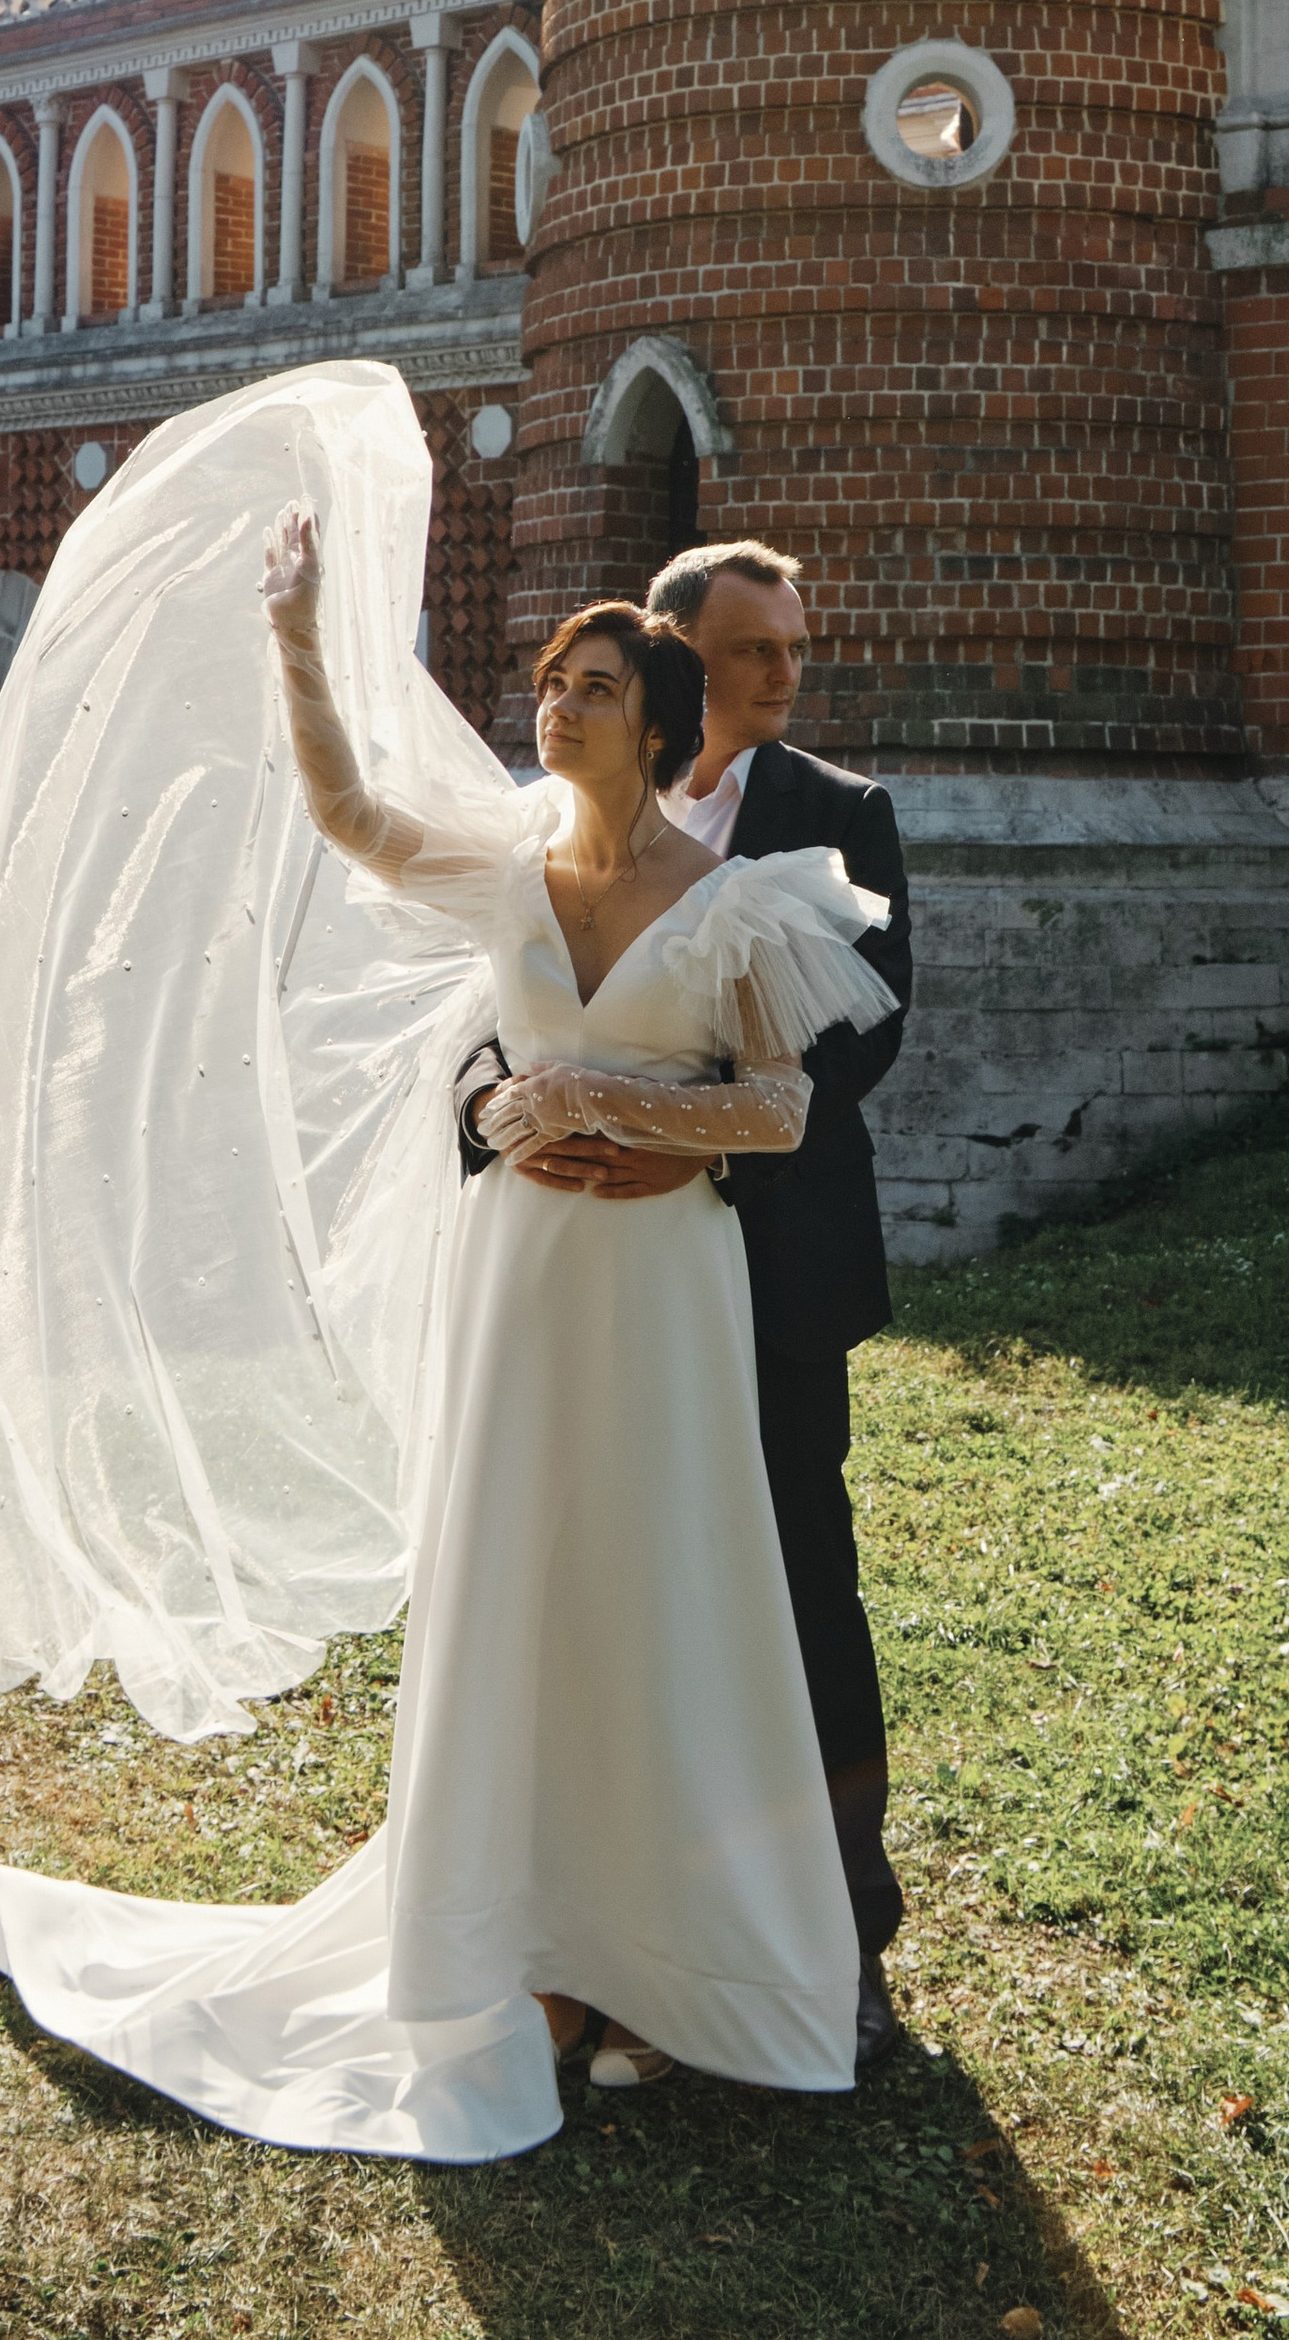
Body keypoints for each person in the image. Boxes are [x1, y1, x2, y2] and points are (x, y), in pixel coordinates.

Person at [0, 362, 900, 2163]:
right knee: (523, 1589)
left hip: (680, 1292)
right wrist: (293, 638)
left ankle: (704, 1952)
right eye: (552, 684)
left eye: (584, 689)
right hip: (528, 1284)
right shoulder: (504, 868)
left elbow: (795, 1109)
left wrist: (616, 1109)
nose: (550, 706)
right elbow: (349, 819)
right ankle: (532, 1948)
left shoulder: (758, 894)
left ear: (651, 723)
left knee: (683, 1599)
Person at [463, 535, 913, 2063]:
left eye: (797, 646)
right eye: (756, 652)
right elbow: (488, 1022)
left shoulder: (839, 818)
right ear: (676, 662)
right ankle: (591, 1917)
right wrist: (512, 1112)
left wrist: (669, 1144)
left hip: (760, 1266)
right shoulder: (548, 815)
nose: (787, 675)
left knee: (794, 1588)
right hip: (577, 1277)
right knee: (596, 1590)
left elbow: (853, 1050)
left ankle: (838, 1924)